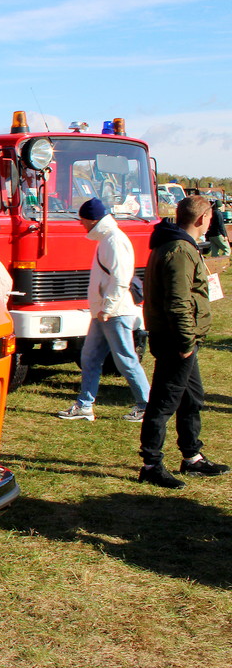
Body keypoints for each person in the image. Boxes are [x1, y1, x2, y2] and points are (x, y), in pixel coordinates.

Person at [136, 194, 228, 488]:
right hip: (177, 339)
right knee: (164, 402)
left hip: (181, 338)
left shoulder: (179, 246)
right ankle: (151, 464)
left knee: (192, 398)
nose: (211, 223)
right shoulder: (179, 249)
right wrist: (186, 343)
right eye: (211, 218)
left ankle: (192, 458)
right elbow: (177, 302)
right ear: (201, 218)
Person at [57, 198, 150, 422]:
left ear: (91, 220)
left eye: (82, 221)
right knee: (90, 357)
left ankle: (147, 405)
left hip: (114, 312)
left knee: (125, 360)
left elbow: (120, 278)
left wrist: (107, 308)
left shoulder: (113, 240)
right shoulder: (108, 238)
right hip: (105, 312)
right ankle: (85, 405)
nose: (81, 225)